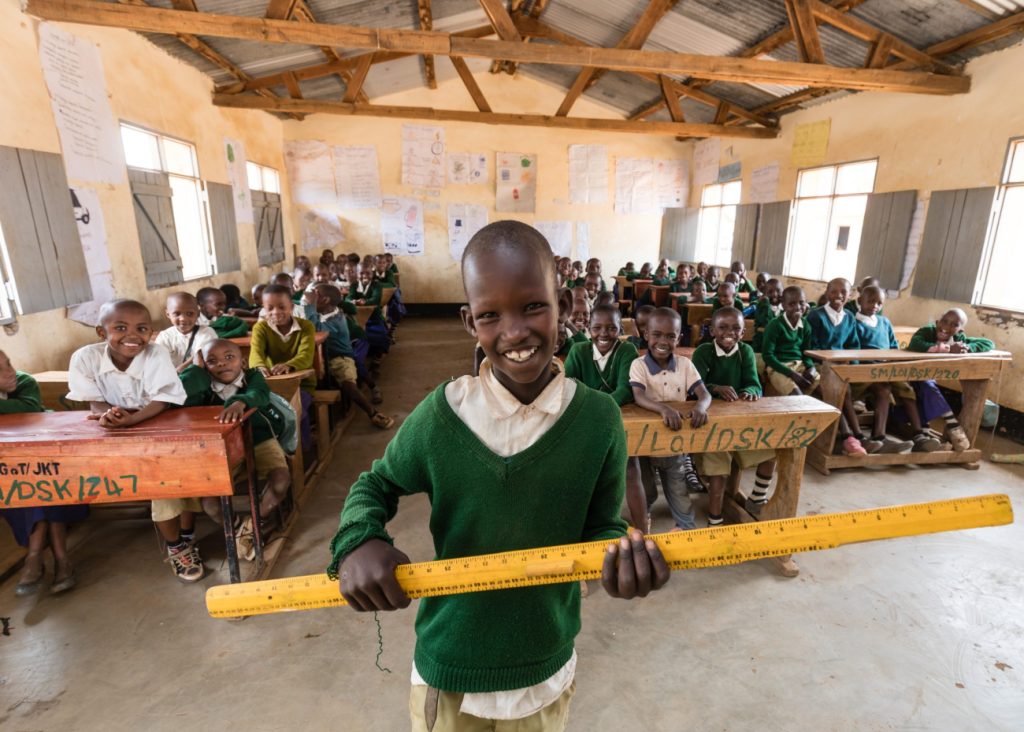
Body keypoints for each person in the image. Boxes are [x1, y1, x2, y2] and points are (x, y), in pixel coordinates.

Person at [330, 221, 669, 730]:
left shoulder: (599, 420)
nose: (513, 332)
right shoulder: (442, 415)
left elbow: (602, 525)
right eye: (490, 315)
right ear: (470, 322)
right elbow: (374, 485)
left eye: (533, 305)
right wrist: (358, 539)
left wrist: (621, 558)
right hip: (450, 672)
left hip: (544, 667)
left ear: (565, 305)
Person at [65, 300, 200, 582]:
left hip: (162, 424)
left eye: (142, 328)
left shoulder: (156, 354)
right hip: (117, 432)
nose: (132, 335)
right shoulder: (85, 358)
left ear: (151, 332)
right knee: (163, 484)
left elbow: (163, 400)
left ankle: (183, 539)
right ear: (102, 333)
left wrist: (131, 420)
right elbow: (95, 403)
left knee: (176, 479)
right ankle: (178, 544)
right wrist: (111, 416)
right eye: (120, 328)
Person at [180, 339, 293, 559]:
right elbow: (181, 393)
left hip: (259, 439)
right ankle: (236, 525)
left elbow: (258, 393)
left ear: (243, 361)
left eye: (229, 358)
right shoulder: (204, 387)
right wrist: (196, 370)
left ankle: (253, 524)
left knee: (280, 480)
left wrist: (240, 402)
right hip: (220, 448)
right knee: (210, 504)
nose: (222, 364)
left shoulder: (252, 377)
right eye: (212, 361)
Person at [1, 351, 88, 596]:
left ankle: (35, 556)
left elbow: (27, 408)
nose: (9, 371)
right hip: (11, 472)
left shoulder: (24, 382)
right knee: (28, 490)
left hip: (49, 459)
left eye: (8, 363)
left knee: (47, 485)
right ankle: (62, 561)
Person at [627, 307, 711, 531]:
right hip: (645, 445)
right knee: (647, 490)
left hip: (675, 444)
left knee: (679, 491)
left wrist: (701, 406)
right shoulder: (639, 365)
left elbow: (704, 393)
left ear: (679, 338)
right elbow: (638, 396)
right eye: (657, 334)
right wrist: (663, 410)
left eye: (670, 336)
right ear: (646, 334)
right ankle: (642, 520)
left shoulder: (685, 365)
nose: (663, 341)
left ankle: (685, 528)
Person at [691, 308, 776, 521]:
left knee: (769, 451)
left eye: (736, 328)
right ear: (712, 330)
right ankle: (715, 518)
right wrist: (716, 388)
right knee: (719, 471)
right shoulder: (703, 351)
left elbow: (754, 383)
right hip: (711, 424)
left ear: (743, 331)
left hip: (739, 421)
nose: (729, 332)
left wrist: (751, 391)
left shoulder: (745, 351)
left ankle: (757, 498)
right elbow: (693, 387)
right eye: (722, 327)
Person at [304, 283, 395, 429]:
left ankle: (373, 413)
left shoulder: (336, 319)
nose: (310, 298)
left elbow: (314, 329)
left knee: (348, 384)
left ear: (325, 300)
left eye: (316, 296)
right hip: (323, 356)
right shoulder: (325, 313)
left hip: (340, 358)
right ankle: (312, 419)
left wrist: (309, 305)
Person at [906, 308, 995, 451]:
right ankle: (951, 423)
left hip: (926, 382)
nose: (946, 327)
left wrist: (967, 347)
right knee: (926, 385)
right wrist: (945, 349)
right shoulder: (927, 331)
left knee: (927, 386)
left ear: (961, 330)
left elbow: (988, 343)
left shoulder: (959, 339)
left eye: (954, 325)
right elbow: (916, 343)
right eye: (944, 321)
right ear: (937, 322)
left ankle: (925, 433)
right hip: (908, 376)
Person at [805, 278, 868, 456]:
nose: (838, 296)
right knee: (841, 390)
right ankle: (853, 436)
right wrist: (832, 361)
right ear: (827, 292)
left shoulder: (849, 317)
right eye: (834, 291)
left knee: (848, 385)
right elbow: (810, 346)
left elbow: (853, 345)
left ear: (850, 295)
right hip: (820, 364)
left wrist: (853, 367)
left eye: (843, 292)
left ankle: (856, 437)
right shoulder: (815, 316)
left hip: (842, 365)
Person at [850, 286, 915, 454]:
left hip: (884, 369)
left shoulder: (884, 322)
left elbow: (893, 346)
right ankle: (875, 437)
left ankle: (885, 436)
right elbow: (852, 348)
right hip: (863, 370)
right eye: (871, 301)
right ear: (859, 301)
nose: (875, 306)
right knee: (882, 387)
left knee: (901, 387)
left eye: (879, 303)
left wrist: (893, 363)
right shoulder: (852, 322)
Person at [564, 305, 639, 406]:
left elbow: (625, 390)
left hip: (616, 412)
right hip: (583, 410)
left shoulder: (627, 350)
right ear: (589, 328)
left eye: (612, 328)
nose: (603, 333)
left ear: (620, 330)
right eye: (596, 328)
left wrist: (599, 407)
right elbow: (567, 386)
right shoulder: (578, 351)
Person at [761, 286, 820, 398]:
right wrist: (792, 374)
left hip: (799, 365)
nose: (798, 307)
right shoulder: (775, 325)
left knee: (825, 389)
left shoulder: (805, 325)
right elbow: (768, 356)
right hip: (778, 367)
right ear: (783, 305)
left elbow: (806, 352)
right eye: (792, 304)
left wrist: (811, 368)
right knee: (797, 397)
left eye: (801, 303)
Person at [155, 292, 217, 373]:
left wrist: (176, 373)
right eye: (177, 314)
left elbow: (199, 357)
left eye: (189, 313)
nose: (183, 319)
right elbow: (158, 361)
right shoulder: (165, 336)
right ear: (168, 314)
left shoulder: (207, 332)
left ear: (198, 313)